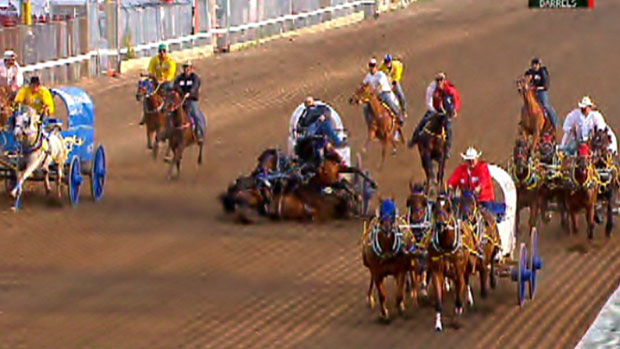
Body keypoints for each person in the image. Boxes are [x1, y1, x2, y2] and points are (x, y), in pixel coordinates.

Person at [408, 72, 461, 157]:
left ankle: (447, 149)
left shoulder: (450, 90)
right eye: (438, 80)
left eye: (441, 80)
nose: (439, 82)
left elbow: (456, 100)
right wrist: (434, 110)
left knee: (448, 128)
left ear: (444, 81)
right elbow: (429, 102)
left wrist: (455, 110)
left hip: (446, 111)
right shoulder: (433, 89)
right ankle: (414, 139)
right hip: (434, 110)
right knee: (424, 121)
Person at [447, 146, 495, 211]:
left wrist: (479, 187)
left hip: (483, 199)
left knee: (486, 212)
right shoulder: (461, 170)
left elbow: (484, 179)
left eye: (472, 160)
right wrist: (450, 186)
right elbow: (453, 179)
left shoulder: (482, 167)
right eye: (469, 160)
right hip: (466, 199)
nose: (471, 162)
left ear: (477, 159)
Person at [362, 58, 403, 125]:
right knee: (366, 108)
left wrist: (374, 92)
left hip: (383, 92)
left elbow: (380, 86)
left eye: (373, 65)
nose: (371, 68)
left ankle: (399, 116)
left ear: (376, 66)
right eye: (370, 66)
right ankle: (370, 124)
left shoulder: (380, 75)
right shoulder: (368, 76)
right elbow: (363, 85)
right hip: (374, 96)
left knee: (389, 102)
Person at [173, 60, 206, 141]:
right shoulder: (179, 78)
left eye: (188, 67)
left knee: (195, 114)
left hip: (191, 100)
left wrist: (189, 93)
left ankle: (200, 133)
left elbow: (195, 87)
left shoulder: (195, 78)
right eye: (185, 67)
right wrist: (178, 92)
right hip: (180, 101)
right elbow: (175, 85)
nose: (186, 69)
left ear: (191, 68)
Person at [524, 57, 559, 130]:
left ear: (539, 65)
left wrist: (539, 88)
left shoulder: (542, 71)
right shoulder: (531, 72)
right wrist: (526, 79)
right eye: (533, 65)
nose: (534, 66)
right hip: (533, 91)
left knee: (545, 106)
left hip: (541, 91)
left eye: (536, 65)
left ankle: (554, 122)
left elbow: (546, 85)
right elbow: (526, 76)